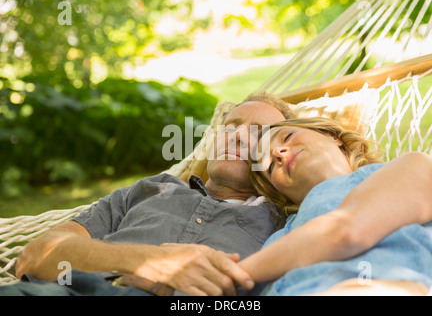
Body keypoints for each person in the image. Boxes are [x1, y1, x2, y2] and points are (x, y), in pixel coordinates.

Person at [1, 92, 293, 296]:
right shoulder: (152, 189)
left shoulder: (286, 221)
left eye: (258, 132)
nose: (237, 136)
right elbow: (36, 256)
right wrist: (146, 260)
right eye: (231, 126)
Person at [238, 117, 432, 295]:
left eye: (287, 136)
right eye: (270, 166)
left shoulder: (409, 166)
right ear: (279, 193)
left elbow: (346, 230)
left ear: (333, 137)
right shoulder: (276, 240)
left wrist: (236, 273)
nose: (278, 152)